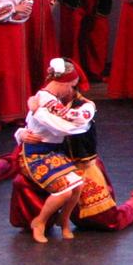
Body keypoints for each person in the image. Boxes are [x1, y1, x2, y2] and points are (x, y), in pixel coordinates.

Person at [15, 58, 90, 241]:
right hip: (35, 154)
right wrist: (28, 124)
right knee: (63, 190)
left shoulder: (48, 99)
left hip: (53, 152)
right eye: (71, 85)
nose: (72, 90)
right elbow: (62, 127)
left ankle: (63, 220)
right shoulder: (45, 100)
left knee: (78, 184)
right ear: (63, 83)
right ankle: (39, 221)